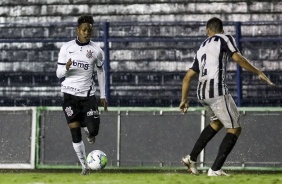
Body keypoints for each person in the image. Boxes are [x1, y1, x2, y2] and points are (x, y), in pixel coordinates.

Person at [179, 17, 274, 176]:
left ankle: (191, 157)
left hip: (202, 92)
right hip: (216, 90)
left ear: (208, 31)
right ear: (221, 30)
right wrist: (258, 72)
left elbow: (187, 77)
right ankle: (215, 169)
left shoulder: (201, 47)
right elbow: (237, 57)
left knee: (216, 123)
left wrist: (184, 99)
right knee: (235, 128)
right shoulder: (225, 38)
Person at [56, 15, 108, 175]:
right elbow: (58, 74)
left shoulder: (96, 51)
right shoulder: (66, 48)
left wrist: (103, 95)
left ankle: (89, 131)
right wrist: (66, 68)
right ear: (77, 30)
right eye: (84, 30)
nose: (87, 33)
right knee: (74, 130)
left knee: (93, 131)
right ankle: (84, 166)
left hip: (88, 96)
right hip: (69, 95)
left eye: (89, 30)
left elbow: (100, 71)